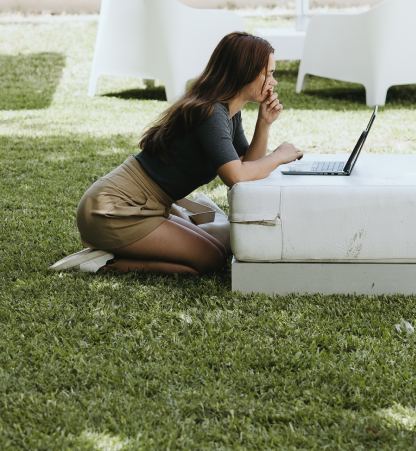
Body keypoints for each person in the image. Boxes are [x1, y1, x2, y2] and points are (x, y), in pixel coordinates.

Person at [74, 32, 303, 276]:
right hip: (115, 209)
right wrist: (279, 156)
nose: (273, 82)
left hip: (150, 206)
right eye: (268, 73)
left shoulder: (229, 113)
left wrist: (264, 124)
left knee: (221, 249)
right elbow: (236, 176)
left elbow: (249, 165)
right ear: (244, 71)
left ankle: (118, 253)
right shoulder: (211, 113)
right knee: (209, 259)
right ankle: (107, 262)